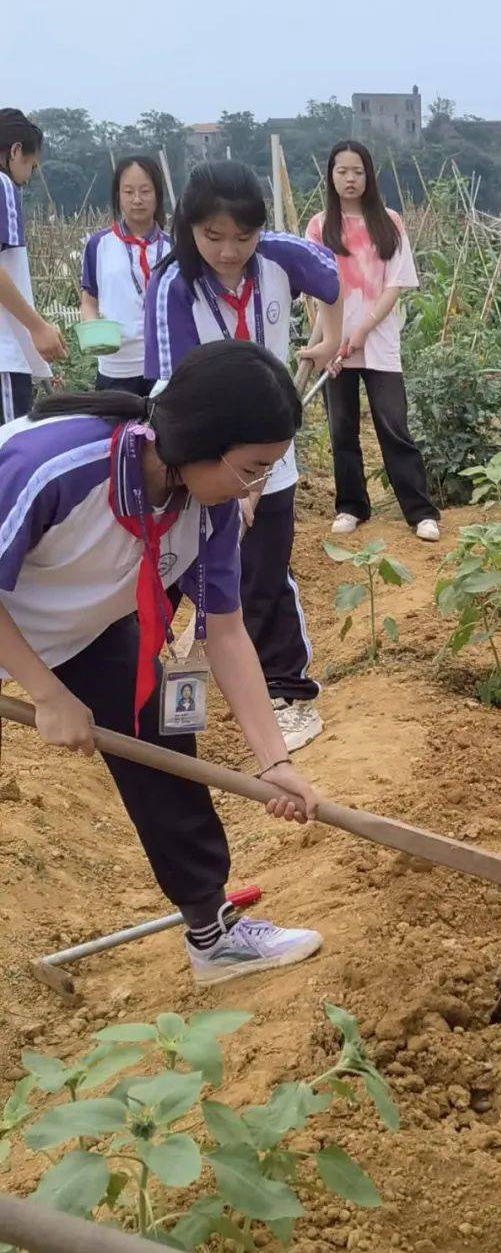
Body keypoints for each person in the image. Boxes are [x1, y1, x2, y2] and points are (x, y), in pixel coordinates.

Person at [0, 341, 326, 985]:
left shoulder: (209, 510)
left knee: (162, 731)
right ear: (203, 441)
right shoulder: (52, 465)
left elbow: (227, 634)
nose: (258, 488)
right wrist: (46, 692)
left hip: (79, 629)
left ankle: (213, 935)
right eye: (254, 468)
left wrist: (277, 764)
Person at [145, 160, 343, 754]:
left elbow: (332, 279)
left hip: (269, 458)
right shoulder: (172, 287)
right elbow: (171, 394)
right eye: (213, 236)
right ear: (189, 229)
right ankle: (145, 690)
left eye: (243, 236)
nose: (229, 251)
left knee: (263, 573)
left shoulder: (284, 256)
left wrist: (330, 335)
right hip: (199, 464)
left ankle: (287, 691)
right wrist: (226, 482)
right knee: (173, 571)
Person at [305, 141, 439, 542]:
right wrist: (329, 341)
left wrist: (363, 328)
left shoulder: (389, 222)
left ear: (369, 176)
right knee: (341, 428)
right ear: (331, 175)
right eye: (343, 171)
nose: (350, 179)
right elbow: (314, 288)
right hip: (335, 344)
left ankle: (420, 512)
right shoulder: (319, 225)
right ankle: (350, 506)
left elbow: (395, 283)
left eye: (358, 171)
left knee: (393, 424)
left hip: (379, 341)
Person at [80, 155, 170, 396]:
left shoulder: (174, 249)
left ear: (157, 195)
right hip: (116, 367)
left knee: (162, 433)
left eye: (145, 191)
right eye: (128, 192)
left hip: (165, 366)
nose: (137, 200)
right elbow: (89, 300)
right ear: (118, 196)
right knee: (117, 432)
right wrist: (93, 328)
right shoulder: (99, 245)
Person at [0, 109, 66, 423]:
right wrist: (37, 327)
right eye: (31, 164)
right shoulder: (3, 185)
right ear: (15, 151)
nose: (28, 175)